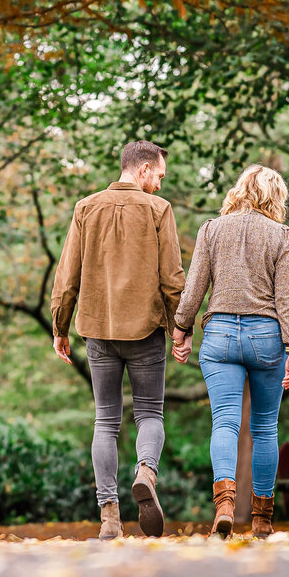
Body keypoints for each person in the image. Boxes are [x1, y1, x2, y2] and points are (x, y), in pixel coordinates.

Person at [50, 140, 186, 539]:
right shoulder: (159, 210)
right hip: (145, 330)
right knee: (149, 414)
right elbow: (172, 277)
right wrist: (181, 327)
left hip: (97, 330)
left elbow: (67, 275)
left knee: (105, 421)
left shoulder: (85, 207)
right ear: (143, 169)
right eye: (159, 175)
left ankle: (110, 516)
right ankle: (146, 470)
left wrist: (59, 326)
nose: (160, 185)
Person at [172, 164, 289, 540]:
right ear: (275, 196)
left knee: (225, 422)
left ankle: (224, 505)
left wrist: (181, 329)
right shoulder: (280, 235)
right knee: (264, 428)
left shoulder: (212, 229)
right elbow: (287, 296)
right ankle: (262, 519)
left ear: (239, 189)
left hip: (221, 335)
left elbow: (195, 285)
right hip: (267, 337)